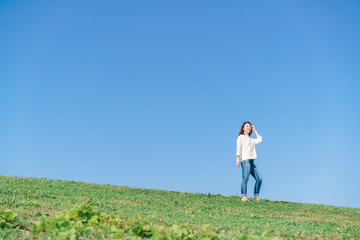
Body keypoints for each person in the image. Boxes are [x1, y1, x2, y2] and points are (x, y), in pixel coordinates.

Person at [236, 121, 263, 201]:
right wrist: (238, 159)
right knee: (245, 178)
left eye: (249, 126)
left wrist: (255, 130)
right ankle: (244, 196)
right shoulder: (241, 137)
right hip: (245, 161)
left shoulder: (251, 139)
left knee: (259, 179)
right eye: (246, 126)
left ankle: (256, 196)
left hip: (252, 162)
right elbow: (238, 148)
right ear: (243, 128)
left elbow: (259, 139)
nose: (248, 128)